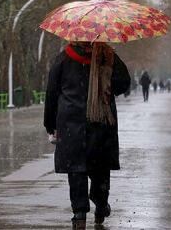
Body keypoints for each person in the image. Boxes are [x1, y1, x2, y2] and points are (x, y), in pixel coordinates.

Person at [44, 41, 131, 229]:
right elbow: (124, 83)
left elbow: (51, 92)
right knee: (100, 167)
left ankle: (79, 213)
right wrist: (106, 87)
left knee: (76, 168)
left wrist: (50, 124)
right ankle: (100, 205)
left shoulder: (64, 58)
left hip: (71, 122)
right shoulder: (107, 56)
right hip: (100, 120)